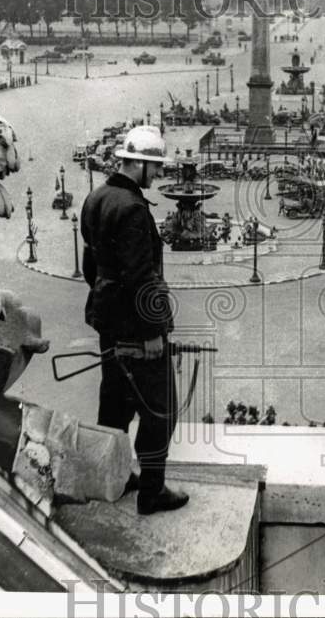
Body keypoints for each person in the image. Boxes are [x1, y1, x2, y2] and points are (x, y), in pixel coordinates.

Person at [80, 125, 189, 515]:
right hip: (138, 330)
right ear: (138, 163)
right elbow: (144, 277)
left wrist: (108, 306)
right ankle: (152, 491)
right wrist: (153, 332)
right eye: (155, 167)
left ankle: (114, 476)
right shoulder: (134, 210)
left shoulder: (95, 198)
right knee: (160, 409)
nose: (158, 175)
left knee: (113, 405)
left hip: (107, 322)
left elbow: (90, 265)